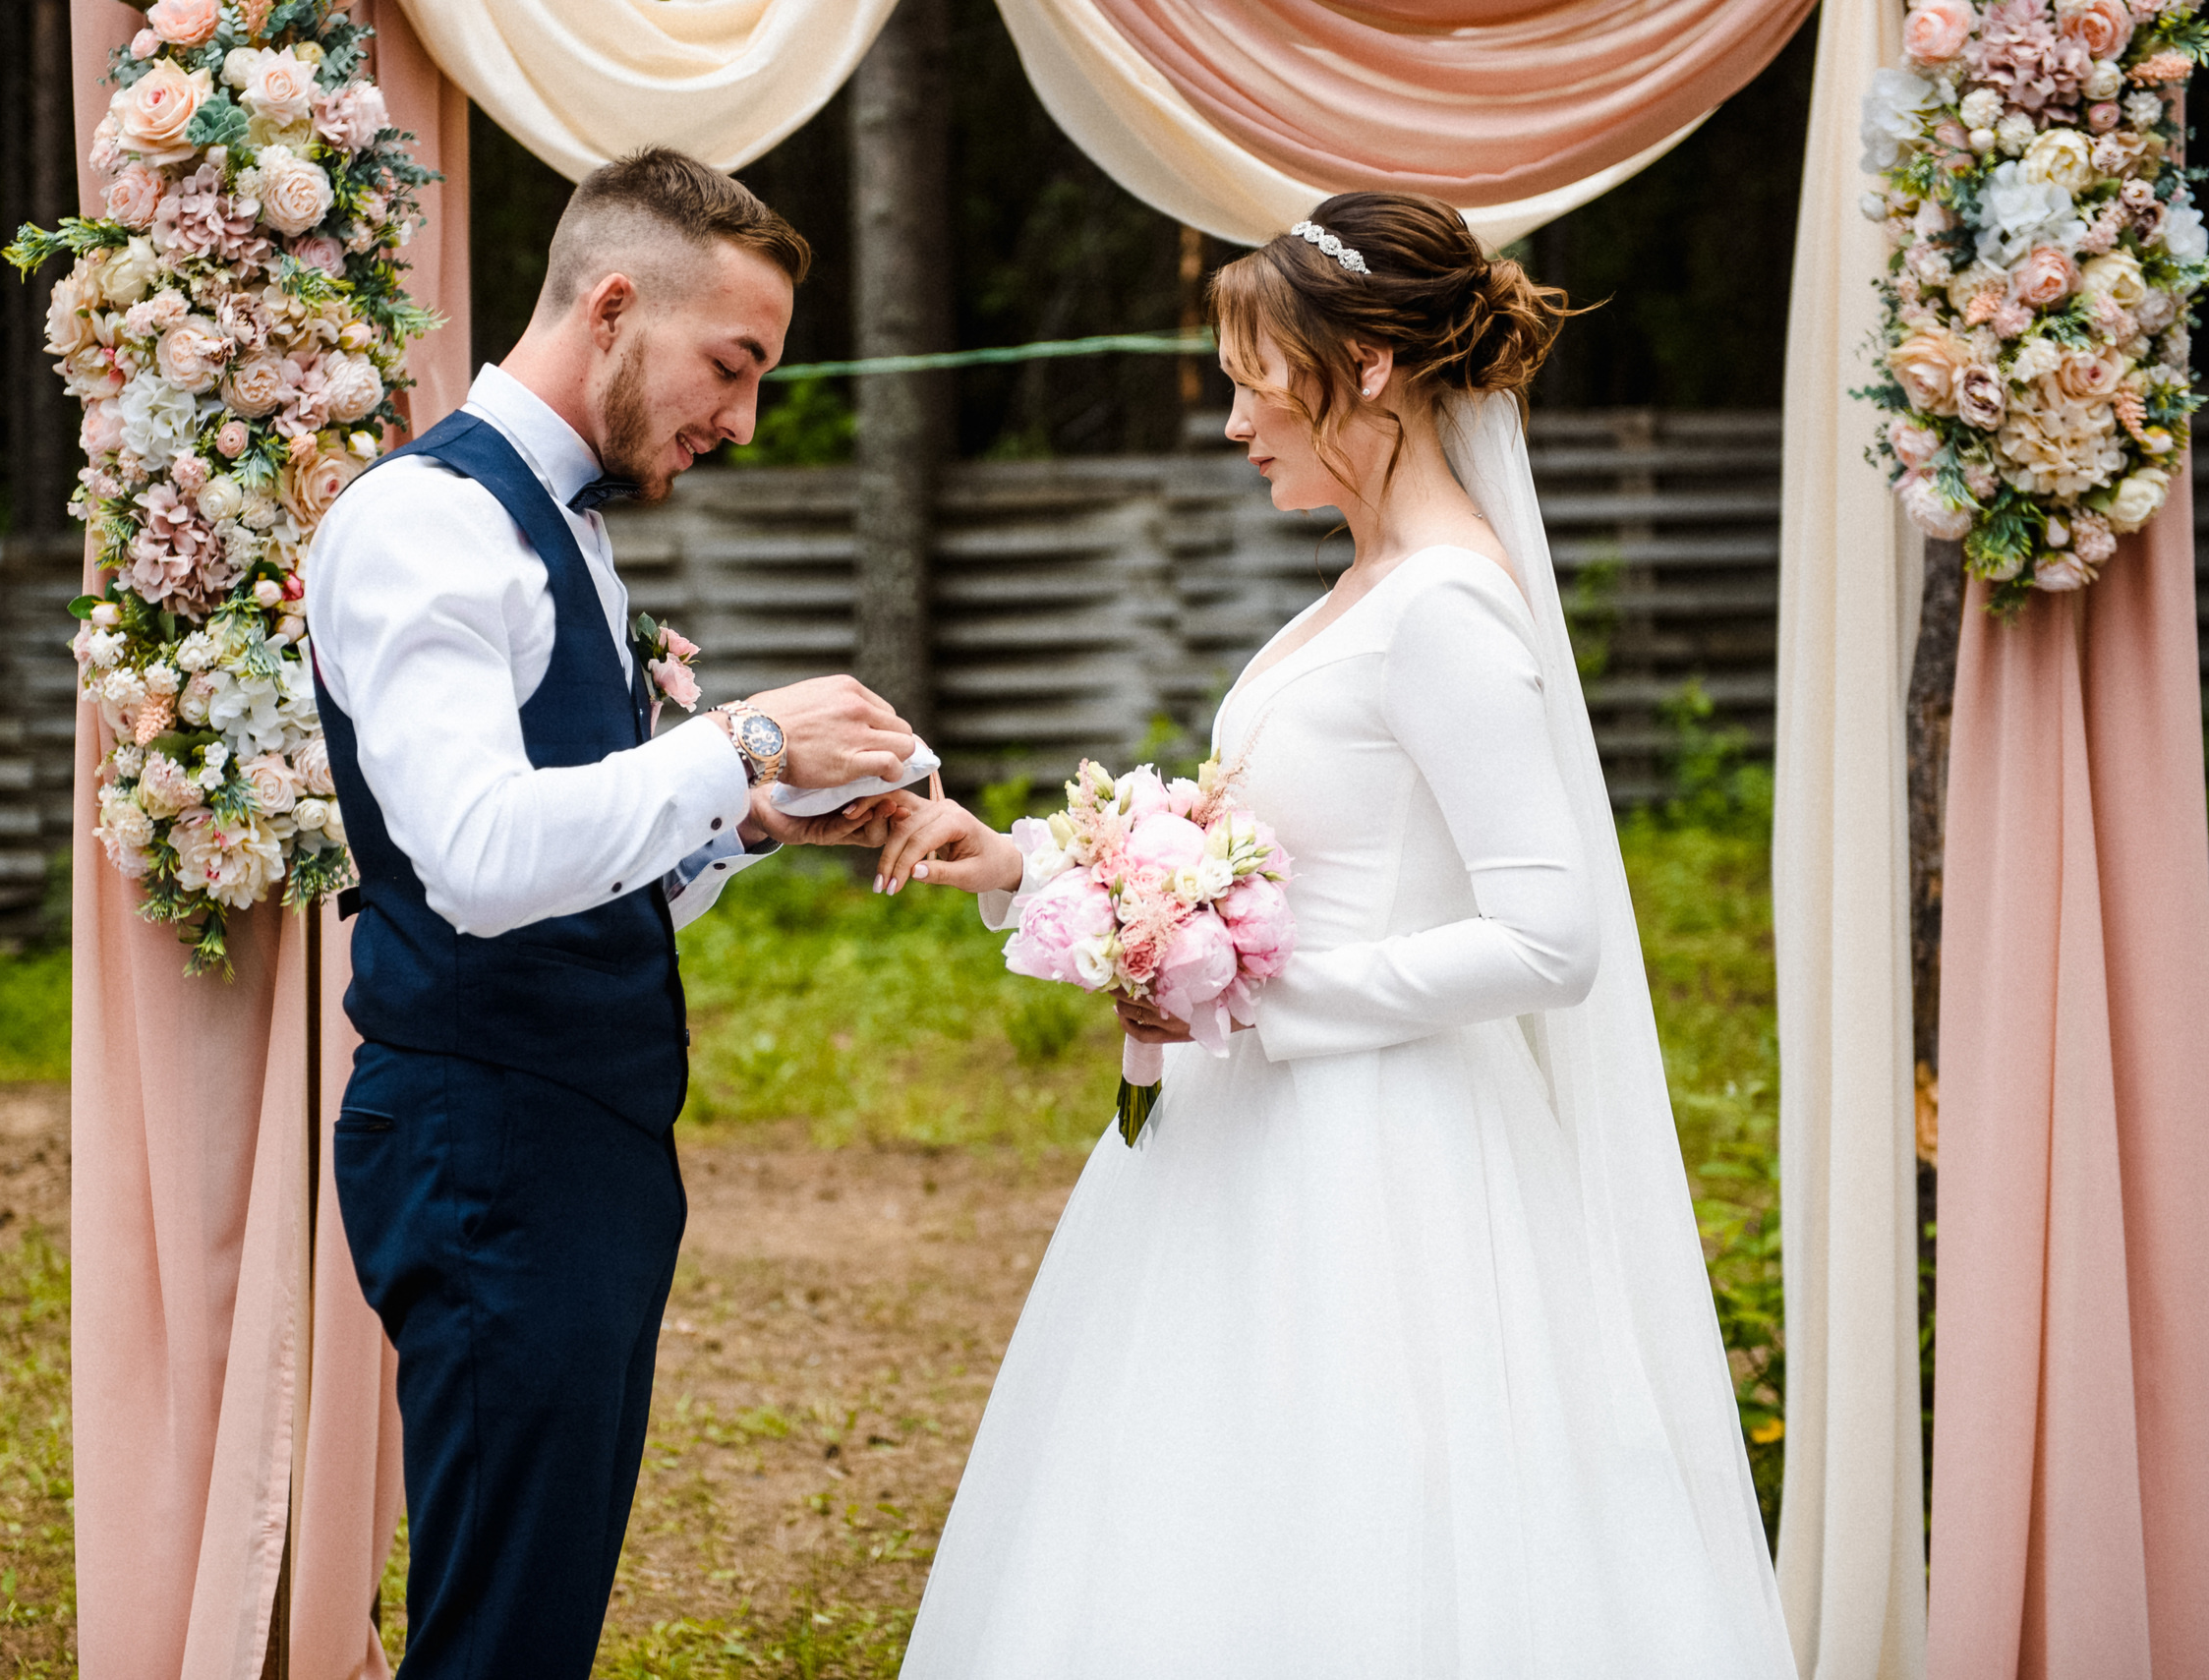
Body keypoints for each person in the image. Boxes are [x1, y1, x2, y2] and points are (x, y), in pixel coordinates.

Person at [874, 193, 1800, 1677]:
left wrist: (1262, 999)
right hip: (1251, 1137)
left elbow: (1550, 939)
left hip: (1389, 1153)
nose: (1235, 416)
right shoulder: (1362, 587)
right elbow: (1272, 846)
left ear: (1366, 364)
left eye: (1254, 372)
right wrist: (1032, 857)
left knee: (1377, 1505)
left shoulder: (1447, 609)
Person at [304, 147, 915, 1680]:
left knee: (537, 1607)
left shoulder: (561, 522)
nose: (742, 417)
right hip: (487, 1141)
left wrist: (750, 821)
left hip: (570, 1139)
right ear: (617, 303)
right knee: (501, 1632)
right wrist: (740, 742)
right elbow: (482, 860)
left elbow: (576, 879)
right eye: (735, 362)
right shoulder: (430, 521)